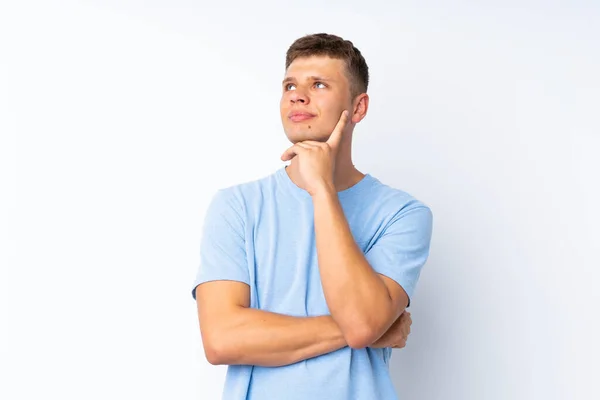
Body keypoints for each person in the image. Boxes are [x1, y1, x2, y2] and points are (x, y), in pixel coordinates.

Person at [191, 33, 434, 400]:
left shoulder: (402, 214)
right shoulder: (236, 205)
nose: (297, 95)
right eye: (290, 84)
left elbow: (362, 321)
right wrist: (366, 332)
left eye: (318, 84)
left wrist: (321, 190)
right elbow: (222, 339)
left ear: (358, 107)